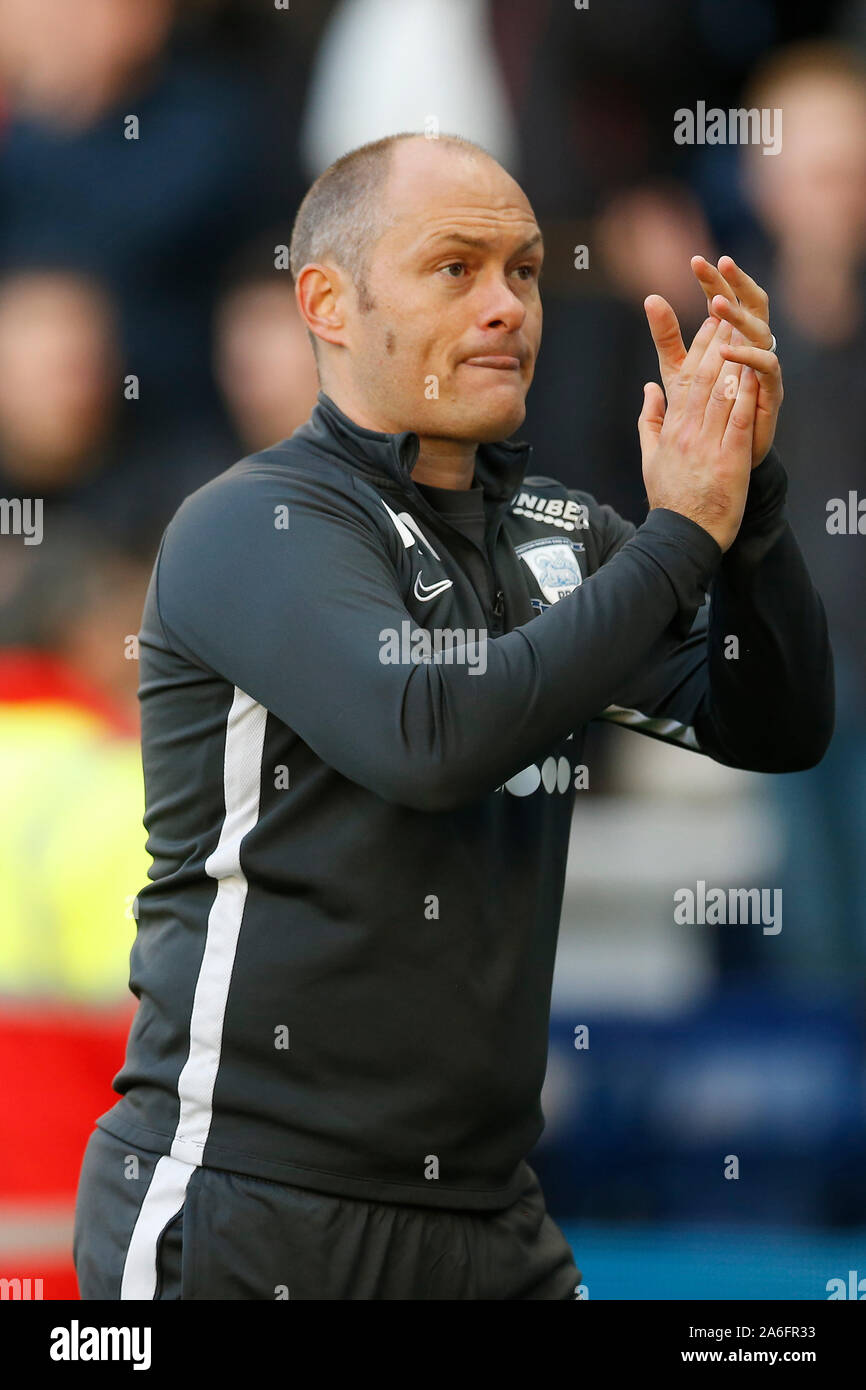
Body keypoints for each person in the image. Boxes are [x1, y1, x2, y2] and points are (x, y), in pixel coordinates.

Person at [73, 131, 833, 1301]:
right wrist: (680, 536)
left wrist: (752, 498)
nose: (504, 306)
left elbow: (776, 726)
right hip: (248, 1204)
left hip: (484, 1215)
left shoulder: (557, 532)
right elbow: (430, 739)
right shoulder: (253, 524)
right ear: (326, 301)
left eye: (524, 271)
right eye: (455, 269)